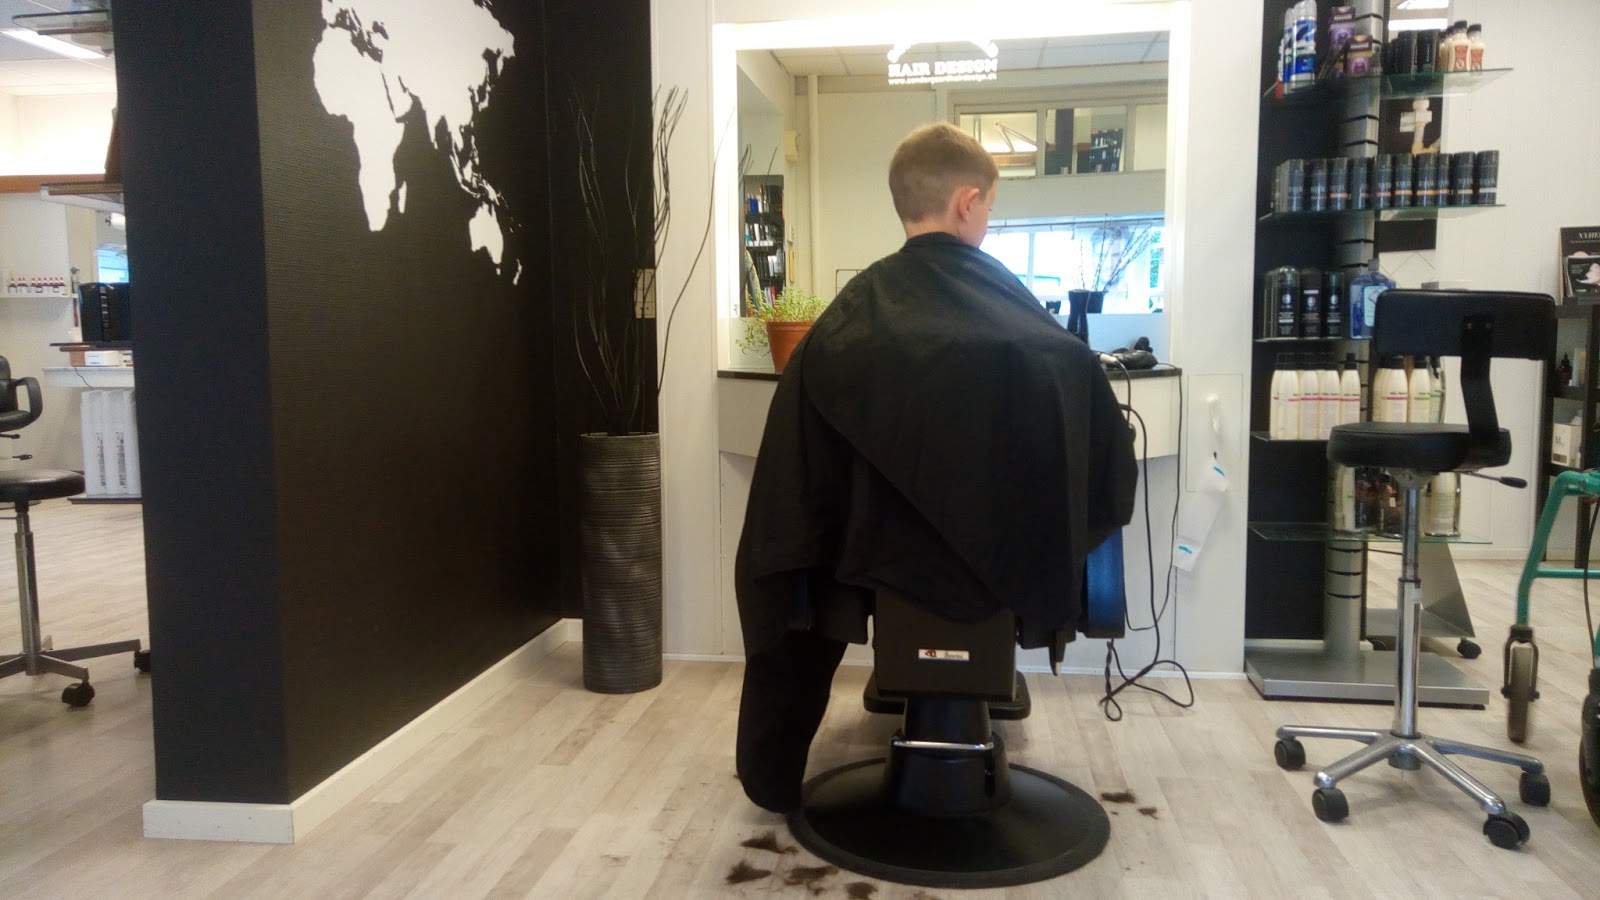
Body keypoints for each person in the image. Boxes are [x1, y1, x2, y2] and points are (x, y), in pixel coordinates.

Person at [733, 122, 1138, 813]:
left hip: (879, 566)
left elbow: (796, 491)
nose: (987, 220)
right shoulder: (1039, 341)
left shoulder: (846, 325)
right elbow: (1093, 443)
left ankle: (777, 770)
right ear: (967, 203)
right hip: (1000, 569)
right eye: (990, 209)